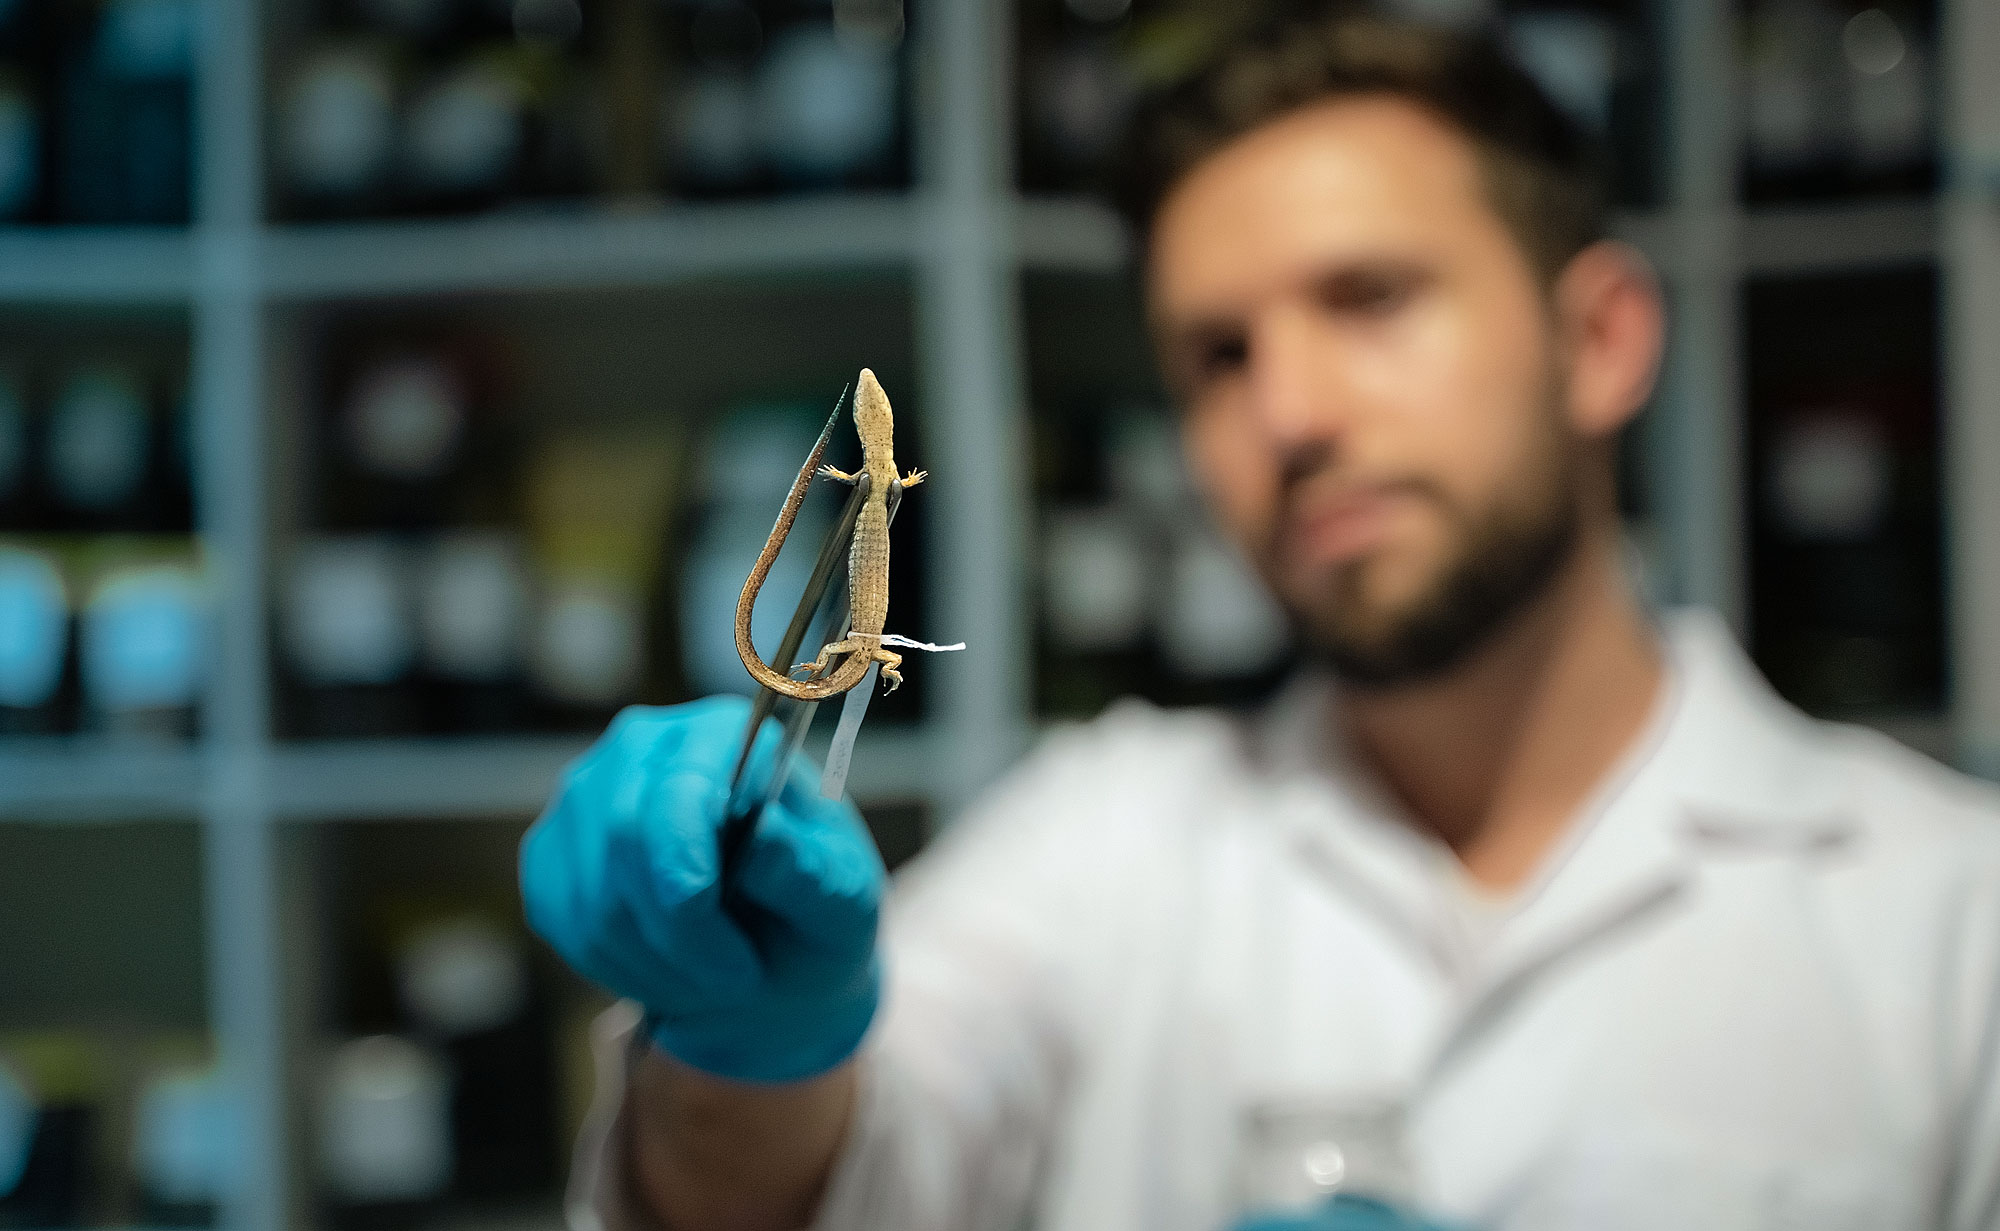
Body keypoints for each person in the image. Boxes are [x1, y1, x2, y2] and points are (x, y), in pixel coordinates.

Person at [519, 11, 2000, 1231]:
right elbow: (825, 1180)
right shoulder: (1100, 841)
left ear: (1598, 339)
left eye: (1370, 299)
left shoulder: (1950, 922)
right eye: (1218, 356)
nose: (1285, 414)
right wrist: (744, 1053)